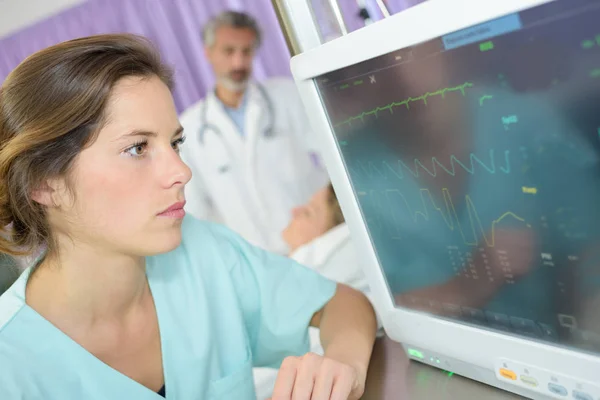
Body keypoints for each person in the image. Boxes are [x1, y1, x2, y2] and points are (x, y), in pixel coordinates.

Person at [0, 34, 377, 399]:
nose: (181, 170)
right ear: (44, 183)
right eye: (137, 148)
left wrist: (344, 363)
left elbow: (342, 304)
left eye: (175, 143)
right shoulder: (11, 365)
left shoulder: (202, 253)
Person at [179, 11, 329, 254]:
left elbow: (331, 158)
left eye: (246, 51)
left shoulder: (287, 96)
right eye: (229, 51)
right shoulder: (190, 129)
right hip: (253, 260)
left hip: (315, 246)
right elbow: (197, 212)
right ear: (208, 53)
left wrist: (327, 217)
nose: (238, 63)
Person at [253, 183, 373, 399]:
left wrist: (346, 362)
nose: (293, 211)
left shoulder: (310, 283)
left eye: (308, 212)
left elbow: (344, 301)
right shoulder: (266, 274)